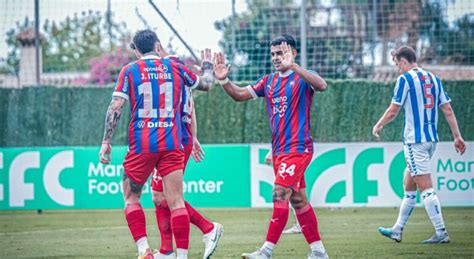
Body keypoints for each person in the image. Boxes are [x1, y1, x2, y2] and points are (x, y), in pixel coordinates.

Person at [98, 29, 214, 259]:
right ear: (157, 45)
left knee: (131, 198)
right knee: (176, 201)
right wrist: (208, 65)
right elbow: (207, 84)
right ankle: (181, 256)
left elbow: (116, 106)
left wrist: (106, 141)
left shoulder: (130, 70)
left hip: (142, 144)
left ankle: (144, 250)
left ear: (136, 50)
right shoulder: (176, 67)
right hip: (172, 144)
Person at [213, 34, 329, 259]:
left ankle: (266, 252)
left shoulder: (303, 78)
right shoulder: (269, 82)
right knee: (298, 200)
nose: (276, 58)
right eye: (273, 54)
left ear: (293, 53)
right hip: (279, 152)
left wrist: (293, 66)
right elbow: (239, 95)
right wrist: (224, 81)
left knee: (279, 194)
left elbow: (322, 85)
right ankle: (319, 252)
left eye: (281, 53)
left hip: (298, 148)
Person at [372, 46, 466, 244]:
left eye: (398, 64)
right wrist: (457, 136)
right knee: (409, 182)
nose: (398, 69)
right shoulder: (434, 79)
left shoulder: (404, 80)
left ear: (404, 61)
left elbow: (393, 111)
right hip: (431, 140)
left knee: (426, 188)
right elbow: (447, 109)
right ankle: (397, 229)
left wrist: (379, 124)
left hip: (415, 141)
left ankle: (441, 232)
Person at [151, 49, 223, 259]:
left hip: (173, 142)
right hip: (180, 139)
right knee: (161, 196)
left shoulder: (170, 76)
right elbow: (190, 111)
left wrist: (191, 139)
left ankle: (208, 228)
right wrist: (194, 138)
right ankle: (166, 251)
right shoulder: (180, 78)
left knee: (165, 196)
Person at [265, 150, 302, 235]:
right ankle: (300, 224)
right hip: (292, 155)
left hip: (292, 155)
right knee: (295, 193)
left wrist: (271, 152)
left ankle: (269, 245)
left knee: (283, 192)